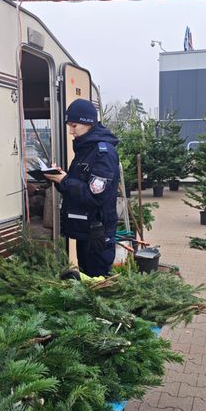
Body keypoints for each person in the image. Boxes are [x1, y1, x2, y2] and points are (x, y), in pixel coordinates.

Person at [45, 99, 120, 277]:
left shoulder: (103, 153)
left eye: (74, 126)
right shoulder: (85, 150)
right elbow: (77, 188)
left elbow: (96, 196)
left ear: (89, 123)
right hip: (85, 231)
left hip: (97, 234)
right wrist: (59, 178)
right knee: (86, 279)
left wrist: (65, 181)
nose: (71, 131)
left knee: (97, 282)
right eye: (69, 126)